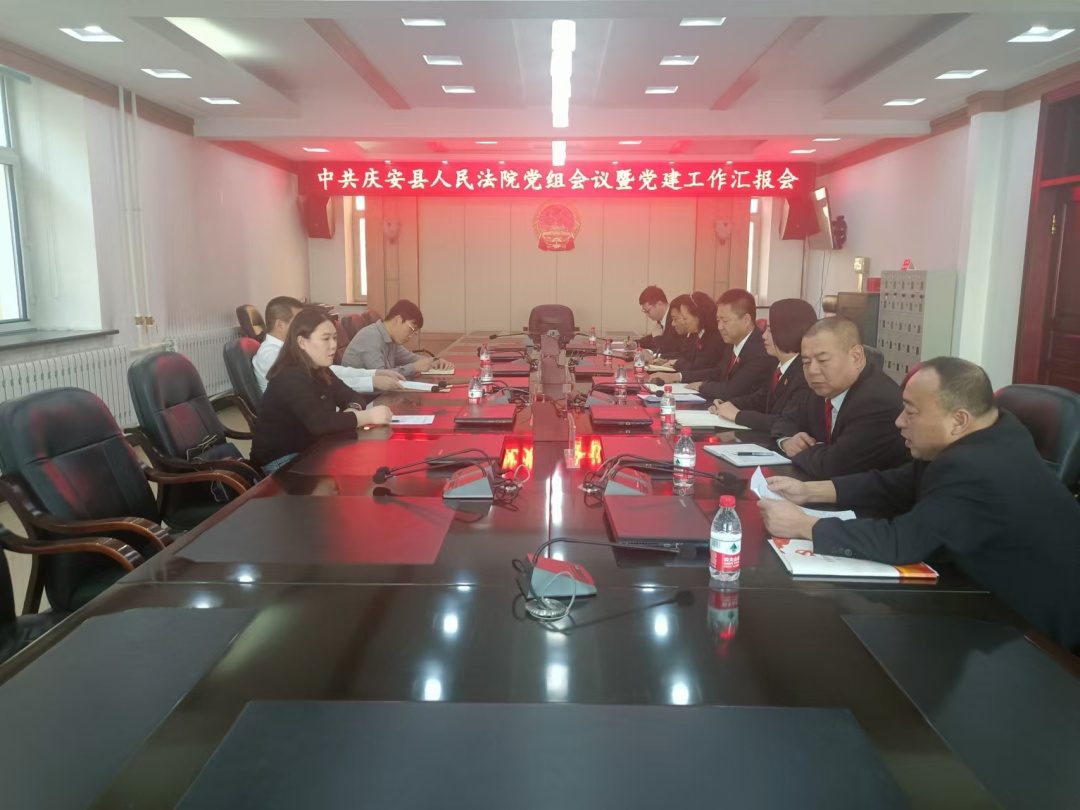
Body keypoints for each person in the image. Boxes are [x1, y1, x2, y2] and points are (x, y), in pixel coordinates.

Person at [759, 357, 1080, 650]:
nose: (899, 422)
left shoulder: (977, 468)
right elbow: (896, 483)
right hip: (981, 593)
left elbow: (902, 542)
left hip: (1040, 641)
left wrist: (806, 526)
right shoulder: (994, 430)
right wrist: (810, 491)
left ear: (958, 420)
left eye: (911, 412)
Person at [251, 307, 393, 473]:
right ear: (302, 342)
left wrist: (353, 409)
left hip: (312, 446)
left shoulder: (319, 369)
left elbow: (353, 396)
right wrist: (366, 416)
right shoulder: (290, 376)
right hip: (282, 459)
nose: (333, 345)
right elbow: (319, 424)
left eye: (334, 338)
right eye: (326, 339)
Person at [771, 316, 908, 478]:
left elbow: (833, 466)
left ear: (856, 357)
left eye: (823, 360)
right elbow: (785, 419)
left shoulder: (877, 401)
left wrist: (804, 451)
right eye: (806, 362)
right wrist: (788, 442)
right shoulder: (822, 387)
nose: (812, 371)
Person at [253, 296, 403, 394]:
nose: (303, 325)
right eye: (298, 321)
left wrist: (374, 374)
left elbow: (330, 372)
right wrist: (371, 382)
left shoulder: (294, 348)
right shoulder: (271, 355)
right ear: (279, 325)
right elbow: (319, 382)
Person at [709, 298, 818, 432]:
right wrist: (728, 405)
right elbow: (760, 399)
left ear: (789, 332)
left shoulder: (804, 373)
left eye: (770, 330)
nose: (764, 336)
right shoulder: (779, 367)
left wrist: (738, 415)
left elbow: (788, 422)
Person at [650, 288, 774, 404]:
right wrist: (679, 377)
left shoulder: (760, 350)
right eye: (718, 320)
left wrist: (702, 386)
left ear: (746, 320)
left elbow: (732, 390)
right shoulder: (733, 341)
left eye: (725, 321)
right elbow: (718, 372)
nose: (720, 327)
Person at [341, 299, 453, 377]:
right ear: (397, 320)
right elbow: (382, 376)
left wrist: (435, 361)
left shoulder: (390, 339)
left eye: (415, 333)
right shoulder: (370, 337)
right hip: (362, 400)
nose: (411, 336)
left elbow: (410, 358)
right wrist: (414, 368)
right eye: (411, 329)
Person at [653, 292, 725, 374]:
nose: (683, 322)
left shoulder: (714, 337)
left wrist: (676, 367)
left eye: (685, 318)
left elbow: (700, 366)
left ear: (698, 316)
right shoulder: (698, 334)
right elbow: (686, 357)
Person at [636, 286, 680, 354]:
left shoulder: (674, 320)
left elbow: (668, 349)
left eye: (647, 311)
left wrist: (656, 338)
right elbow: (652, 338)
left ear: (659, 304)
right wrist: (635, 343)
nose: (647, 315)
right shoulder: (662, 319)